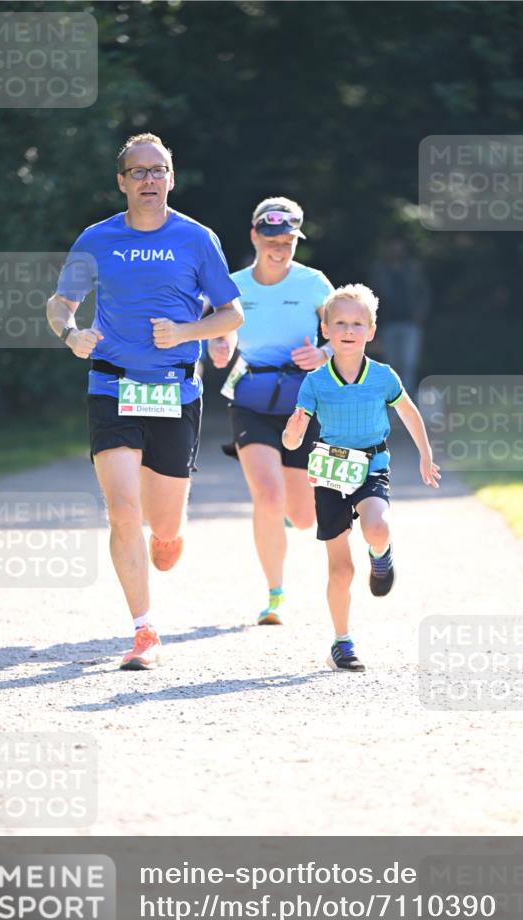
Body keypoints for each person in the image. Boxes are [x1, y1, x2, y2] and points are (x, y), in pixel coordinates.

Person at [47, 133, 242, 670]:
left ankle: (171, 535)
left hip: (175, 389)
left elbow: (230, 314)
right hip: (112, 383)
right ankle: (143, 630)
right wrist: (71, 333)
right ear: (122, 182)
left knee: (165, 524)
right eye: (139, 172)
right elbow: (61, 303)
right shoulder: (97, 239)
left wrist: (184, 333)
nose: (150, 180)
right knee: (122, 509)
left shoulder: (197, 238)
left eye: (159, 171)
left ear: (171, 179)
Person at [282, 283, 440, 672]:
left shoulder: (383, 376)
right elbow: (291, 439)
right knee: (341, 569)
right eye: (340, 323)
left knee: (378, 527)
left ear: (371, 332)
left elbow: (408, 412)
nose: (348, 330)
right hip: (330, 473)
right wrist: (294, 428)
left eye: (357, 323)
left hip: (370, 466)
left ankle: (381, 556)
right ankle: (342, 641)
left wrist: (425, 455)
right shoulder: (316, 382)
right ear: (326, 330)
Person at [214, 196, 333, 625]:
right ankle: (275, 594)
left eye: (288, 240)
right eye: (271, 240)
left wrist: (323, 354)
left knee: (302, 518)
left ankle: (282, 519)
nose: (279, 249)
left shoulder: (314, 283)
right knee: (267, 494)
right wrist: (220, 344)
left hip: (302, 401)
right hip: (250, 397)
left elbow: (349, 332)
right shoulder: (233, 285)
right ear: (254, 236)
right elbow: (214, 331)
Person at [369, 238, 430, 396]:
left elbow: (424, 292)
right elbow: (372, 296)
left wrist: (420, 314)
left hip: (410, 323)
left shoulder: (412, 268)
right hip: (388, 323)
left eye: (399, 248)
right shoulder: (380, 269)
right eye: (393, 248)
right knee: (391, 364)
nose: (396, 251)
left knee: (408, 364)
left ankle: (408, 399)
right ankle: (393, 400)